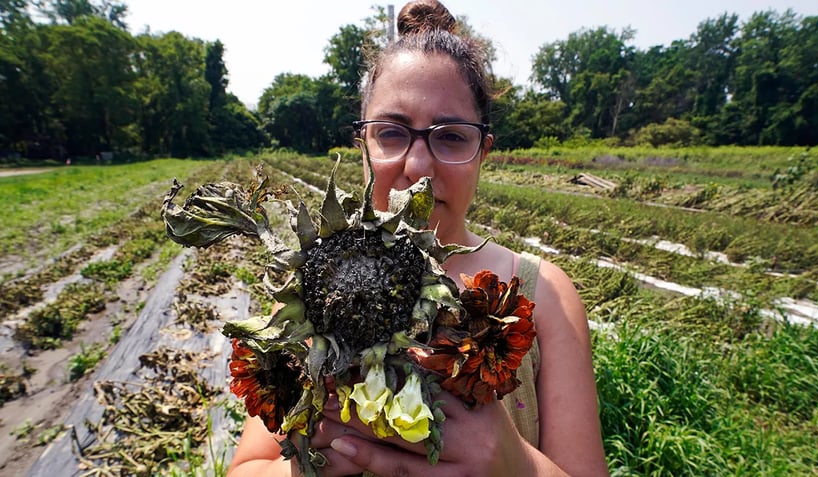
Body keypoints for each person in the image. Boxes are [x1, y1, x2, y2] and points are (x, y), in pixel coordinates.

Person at [227, 1, 608, 475]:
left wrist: (513, 463)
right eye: (391, 133)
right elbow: (246, 467)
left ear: (482, 152)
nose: (419, 168)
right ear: (361, 145)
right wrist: (311, 465)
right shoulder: (315, 287)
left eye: (450, 137)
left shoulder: (544, 296)